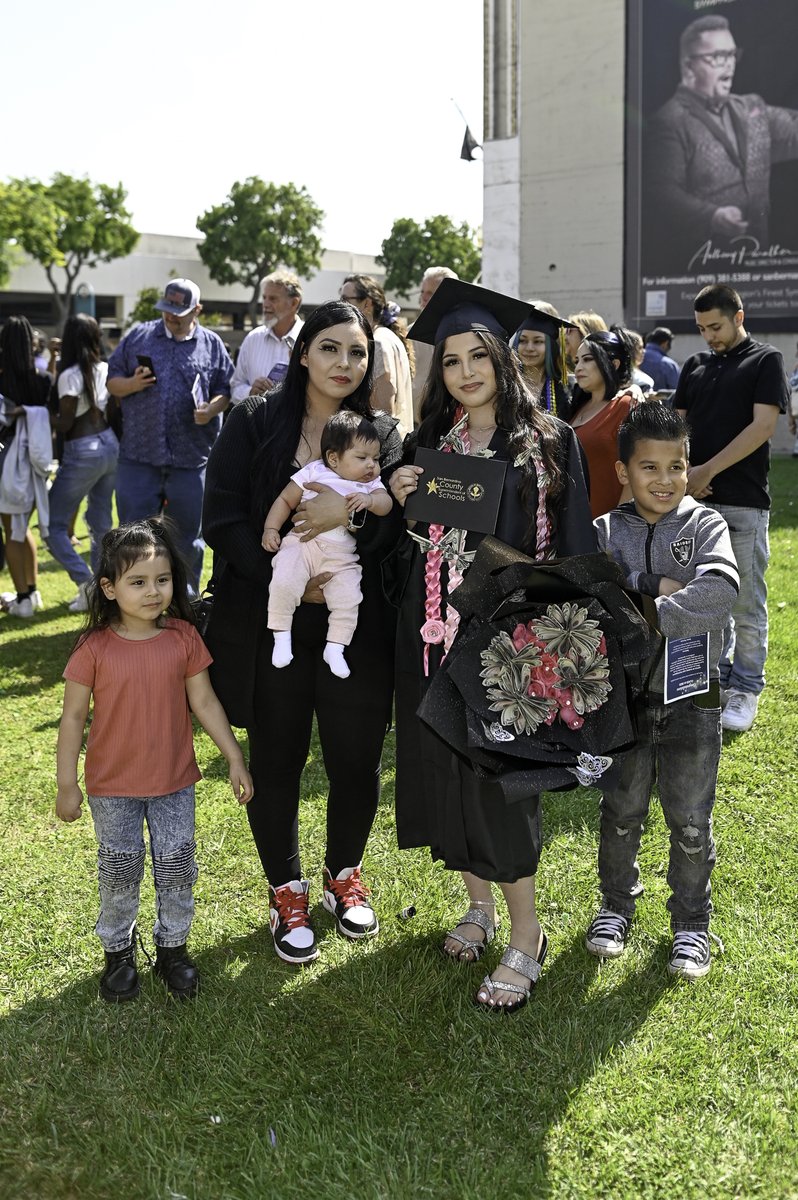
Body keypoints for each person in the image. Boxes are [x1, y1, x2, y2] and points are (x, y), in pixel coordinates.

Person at [390, 280, 595, 1013]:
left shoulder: (547, 441)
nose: (466, 372)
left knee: (499, 782)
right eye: (451, 361)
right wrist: (400, 487)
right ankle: (476, 903)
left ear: (505, 360)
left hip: (507, 638)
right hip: (431, 629)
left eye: (480, 355)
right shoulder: (431, 445)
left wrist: (556, 644)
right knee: (442, 767)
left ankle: (526, 932)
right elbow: (411, 541)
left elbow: (572, 549)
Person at [202, 301, 403, 965]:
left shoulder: (383, 435)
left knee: (354, 759)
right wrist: (282, 575)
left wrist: (345, 522)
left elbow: (397, 529)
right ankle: (285, 889)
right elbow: (222, 517)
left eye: (358, 352)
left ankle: (343, 875)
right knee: (278, 758)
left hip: (355, 622)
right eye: (331, 349)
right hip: (272, 619)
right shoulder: (254, 423)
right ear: (302, 352)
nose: (345, 364)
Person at [55, 518, 253, 1002]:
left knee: (176, 866)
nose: (153, 592)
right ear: (109, 587)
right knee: (119, 869)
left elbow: (204, 703)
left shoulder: (183, 637)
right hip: (111, 787)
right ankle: (118, 953)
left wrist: (234, 758)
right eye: (138, 582)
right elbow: (73, 718)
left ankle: (173, 949)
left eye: (162, 580)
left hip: (173, 783)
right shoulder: (94, 647)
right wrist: (66, 783)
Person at [588, 403, 738, 979]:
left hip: (692, 697)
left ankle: (691, 924)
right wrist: (651, 587)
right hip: (623, 699)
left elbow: (717, 593)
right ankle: (615, 908)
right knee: (621, 810)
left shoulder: (706, 527)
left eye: (676, 466)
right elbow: (590, 599)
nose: (665, 480)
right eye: (649, 468)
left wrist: (636, 608)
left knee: (691, 819)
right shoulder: (604, 531)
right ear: (624, 471)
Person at [674, 284, 787, 733]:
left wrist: (706, 470)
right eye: (702, 329)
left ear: (739, 316)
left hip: (742, 501)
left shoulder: (766, 360)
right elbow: (677, 427)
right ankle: (710, 680)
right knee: (700, 597)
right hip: (692, 503)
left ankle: (746, 687)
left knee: (744, 602)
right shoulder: (695, 364)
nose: (709, 337)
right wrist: (684, 474)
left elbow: (763, 428)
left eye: (715, 327)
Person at [106, 278, 234, 591]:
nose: (171, 316)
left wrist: (211, 410)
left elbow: (225, 390)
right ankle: (132, 605)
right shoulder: (139, 335)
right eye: (167, 309)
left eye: (179, 311)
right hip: (139, 456)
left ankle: (185, 607)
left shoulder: (212, 344)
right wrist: (132, 384)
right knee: (132, 538)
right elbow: (112, 381)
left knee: (187, 540)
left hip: (190, 459)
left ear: (197, 310)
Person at [645, 15, 798, 267]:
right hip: (702, 269)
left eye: (731, 55)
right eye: (718, 57)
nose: (729, 66)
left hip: (760, 268)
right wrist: (712, 216)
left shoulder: (751, 108)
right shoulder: (669, 121)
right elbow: (661, 192)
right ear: (688, 67)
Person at [263, 410, 392, 678]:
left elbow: (386, 504)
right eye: (362, 458)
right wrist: (271, 528)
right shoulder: (315, 472)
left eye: (376, 459)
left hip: (341, 557)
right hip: (302, 544)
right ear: (333, 458)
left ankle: (335, 647)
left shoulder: (371, 484)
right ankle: (281, 635)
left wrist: (370, 501)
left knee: (348, 598)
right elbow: (286, 500)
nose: (372, 465)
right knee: (284, 580)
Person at [45, 314, 119, 613]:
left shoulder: (70, 374)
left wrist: (34, 412)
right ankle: (102, 590)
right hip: (110, 445)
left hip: (83, 450)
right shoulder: (106, 368)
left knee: (52, 526)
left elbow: (64, 424)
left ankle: (87, 583)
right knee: (101, 522)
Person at [0, 315, 51, 617]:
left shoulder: (3, 379)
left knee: (11, 531)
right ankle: (31, 593)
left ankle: (21, 600)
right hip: (34, 464)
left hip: (6, 461)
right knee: (23, 529)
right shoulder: (42, 380)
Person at [568, 328, 638, 518]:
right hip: (571, 523)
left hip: (608, 525)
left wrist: (618, 525)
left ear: (613, 364)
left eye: (587, 359)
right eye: (577, 361)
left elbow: (635, 472)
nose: (578, 368)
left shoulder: (625, 405)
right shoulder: (576, 407)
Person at [340, 274, 415, 437]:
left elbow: (382, 412)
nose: (340, 305)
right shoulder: (382, 337)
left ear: (367, 303)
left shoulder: (378, 341)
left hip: (380, 449)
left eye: (345, 299)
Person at [230, 271, 304, 402]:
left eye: (273, 299)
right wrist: (251, 392)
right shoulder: (253, 339)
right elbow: (235, 387)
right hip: (257, 421)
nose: (265, 304)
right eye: (264, 298)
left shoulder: (310, 339)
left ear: (294, 303)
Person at [412, 267, 460, 424]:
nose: (424, 298)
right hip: (415, 422)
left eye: (431, 293)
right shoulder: (408, 333)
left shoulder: (464, 335)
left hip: (452, 421)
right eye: (422, 292)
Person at [511, 303, 571, 416]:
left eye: (537, 341)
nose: (529, 348)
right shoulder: (505, 385)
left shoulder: (564, 391)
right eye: (523, 341)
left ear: (551, 347)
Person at [642, 328, 680, 392]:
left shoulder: (635, 358)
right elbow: (677, 392)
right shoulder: (668, 364)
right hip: (662, 401)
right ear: (666, 343)